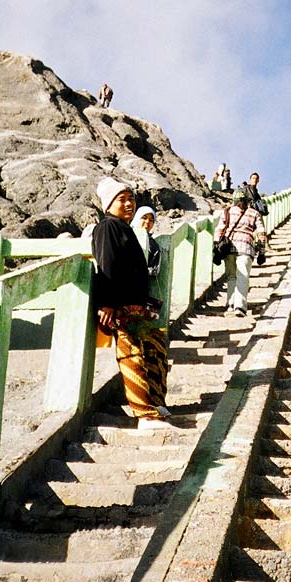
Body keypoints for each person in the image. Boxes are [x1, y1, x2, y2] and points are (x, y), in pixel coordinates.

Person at [92, 177, 170, 424]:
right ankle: (143, 413)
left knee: (155, 351)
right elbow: (106, 265)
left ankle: (157, 402)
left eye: (131, 199)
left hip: (138, 307)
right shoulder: (107, 227)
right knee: (132, 356)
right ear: (108, 205)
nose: (128, 204)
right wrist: (106, 303)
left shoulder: (126, 229)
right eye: (121, 200)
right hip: (121, 306)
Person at [214, 186, 266, 316]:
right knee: (243, 276)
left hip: (229, 247)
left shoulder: (227, 211)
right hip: (246, 248)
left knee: (232, 276)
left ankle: (230, 304)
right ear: (247, 200)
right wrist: (262, 251)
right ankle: (240, 307)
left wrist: (216, 246)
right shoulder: (255, 213)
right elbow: (261, 234)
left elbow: (219, 230)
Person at [132, 205, 162, 279]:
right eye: (144, 218)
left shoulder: (153, 245)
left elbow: (154, 270)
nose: (147, 222)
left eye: (151, 220)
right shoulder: (125, 235)